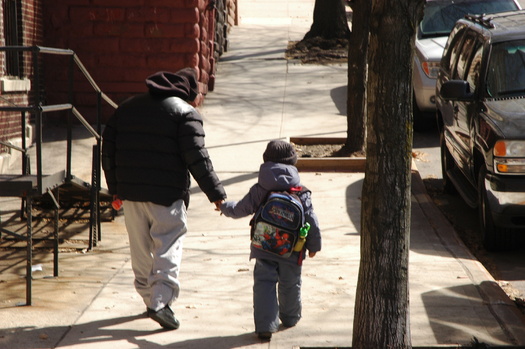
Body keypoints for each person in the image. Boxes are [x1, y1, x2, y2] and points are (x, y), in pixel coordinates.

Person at [101, 68, 226, 330]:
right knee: (167, 246)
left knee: (140, 248)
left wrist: (116, 188)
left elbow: (108, 150)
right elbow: (197, 158)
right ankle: (160, 303)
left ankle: (150, 300)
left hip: (131, 194)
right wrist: (216, 195)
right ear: (188, 92)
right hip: (167, 196)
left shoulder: (125, 108)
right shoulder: (186, 113)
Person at [219, 140, 321, 341]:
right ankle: (290, 317)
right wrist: (314, 245)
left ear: (266, 161)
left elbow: (241, 208)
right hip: (292, 248)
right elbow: (312, 220)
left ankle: (265, 326)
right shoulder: (301, 191)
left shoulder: (260, 188)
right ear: (293, 163)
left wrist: (223, 207)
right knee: (291, 283)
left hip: (264, 246)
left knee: (264, 283)